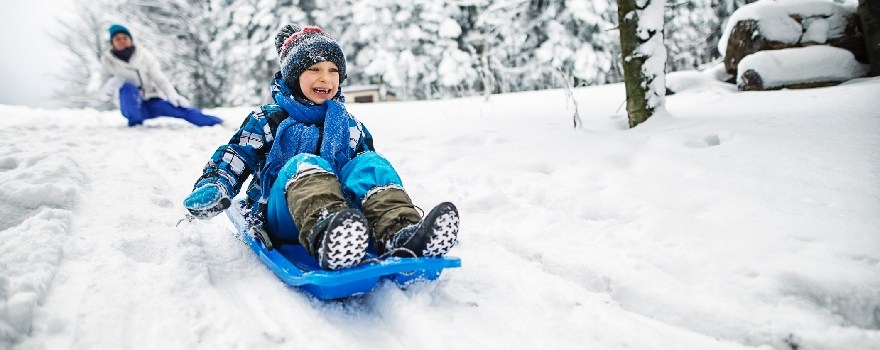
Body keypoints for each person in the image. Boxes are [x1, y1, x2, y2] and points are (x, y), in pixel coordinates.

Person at [182, 24, 460, 271]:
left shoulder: (348, 125)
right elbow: (235, 156)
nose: (325, 78)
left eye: (333, 71)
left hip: (346, 215)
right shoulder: (268, 119)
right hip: (282, 215)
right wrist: (215, 185)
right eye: (314, 69)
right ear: (293, 76)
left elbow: (362, 175)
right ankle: (331, 237)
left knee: (370, 164)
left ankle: (401, 231)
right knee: (305, 163)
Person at [99, 24, 223, 127]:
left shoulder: (143, 55)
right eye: (117, 39)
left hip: (153, 101)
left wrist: (172, 95)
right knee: (127, 87)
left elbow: (160, 79)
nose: (122, 41)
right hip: (132, 107)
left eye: (124, 37)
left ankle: (217, 122)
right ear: (112, 43)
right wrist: (109, 88)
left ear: (130, 39)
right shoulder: (107, 61)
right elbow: (102, 94)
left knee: (181, 110)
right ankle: (135, 124)